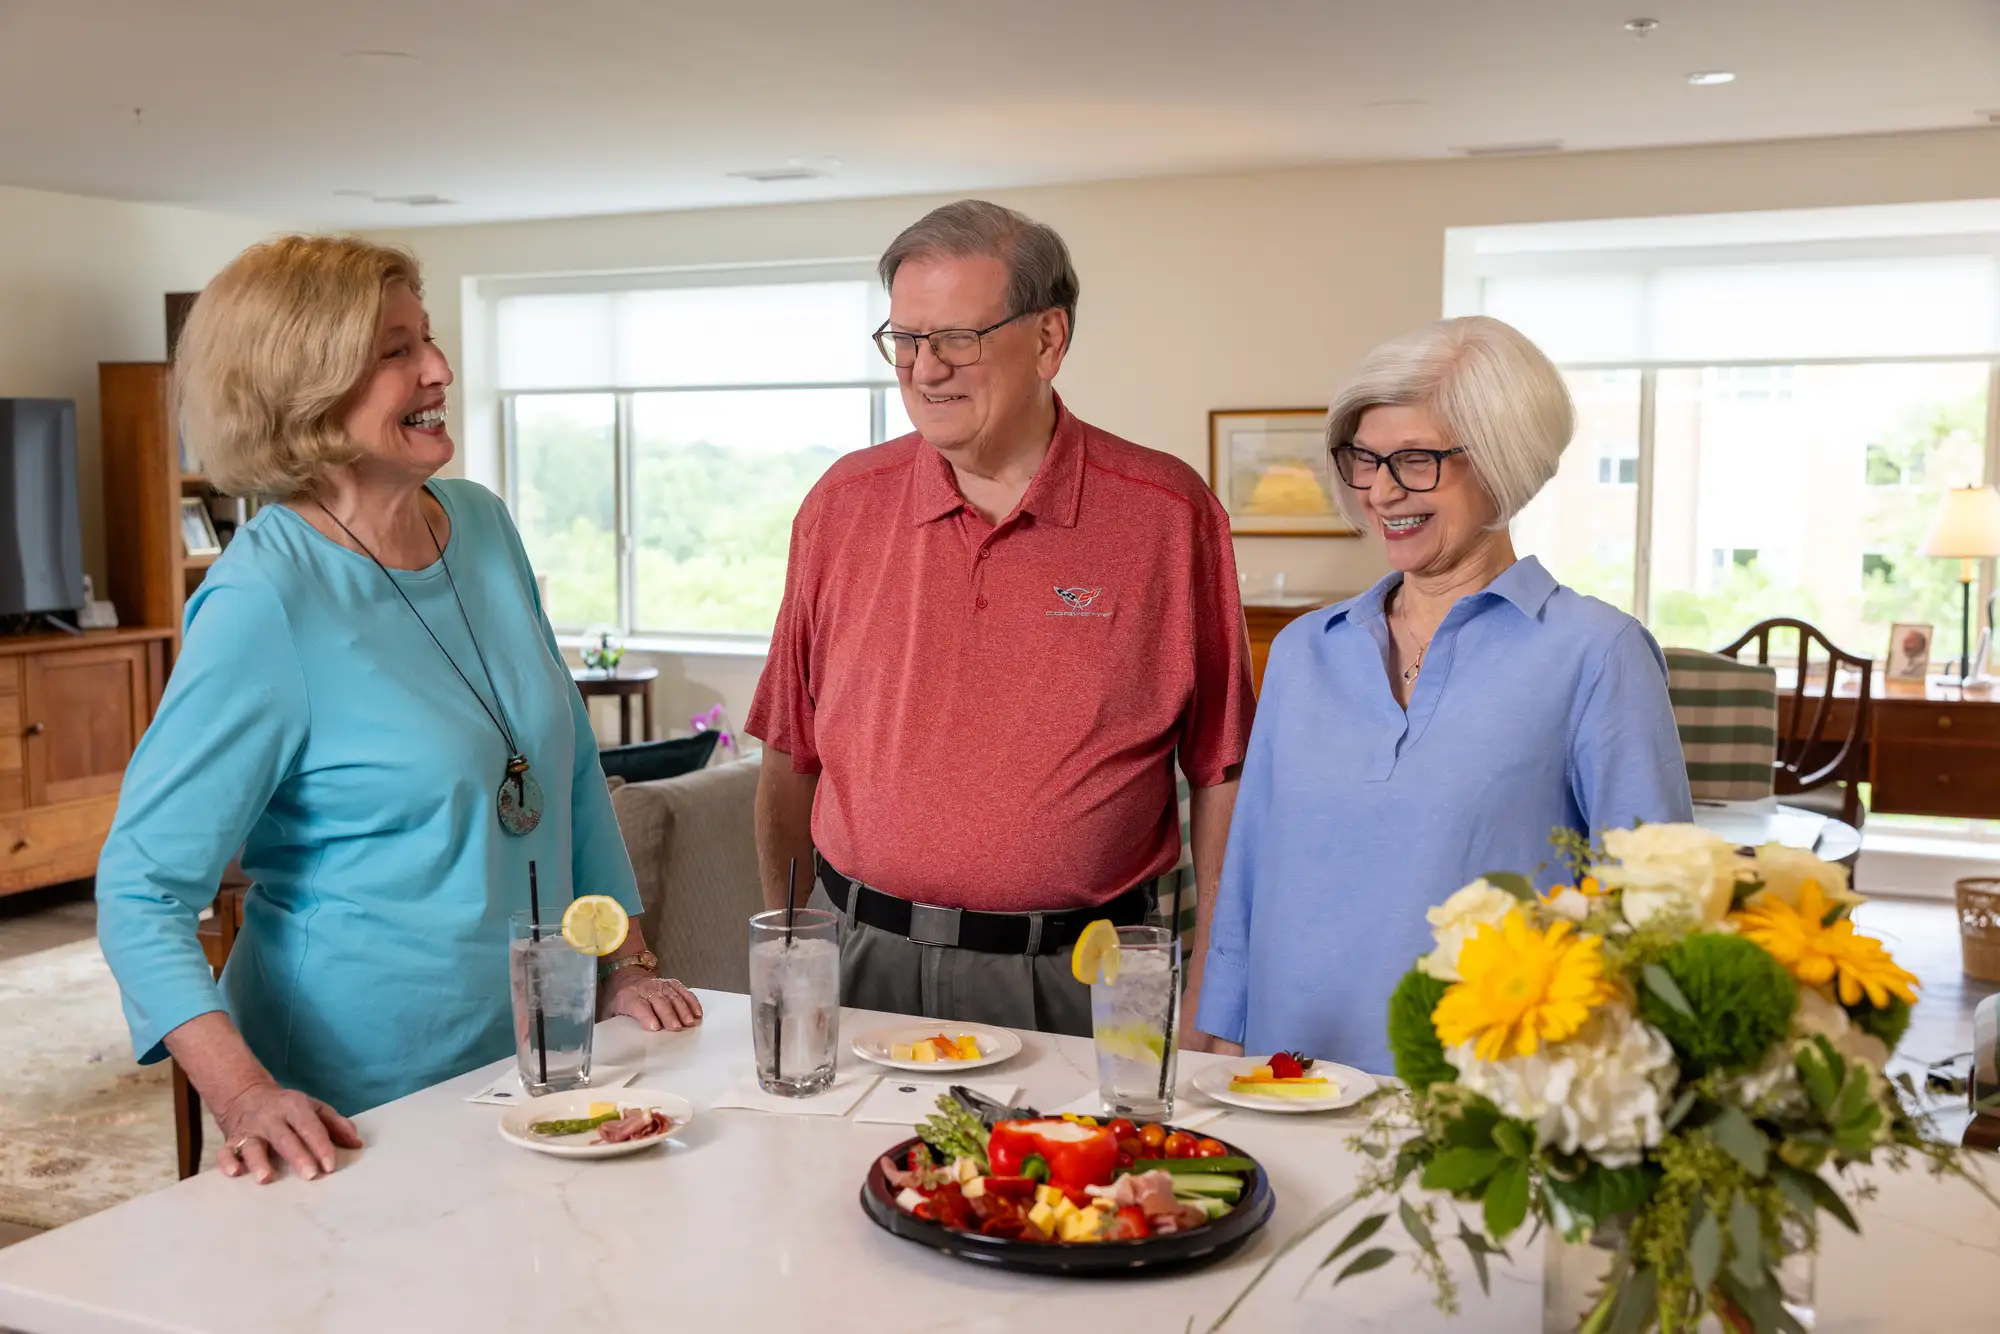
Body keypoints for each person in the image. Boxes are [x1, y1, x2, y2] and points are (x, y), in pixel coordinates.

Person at [95, 236, 701, 1185]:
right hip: (357, 1103)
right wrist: (244, 1094)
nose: (439, 369)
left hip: (538, 1059)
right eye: (396, 350)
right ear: (306, 385)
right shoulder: (265, 599)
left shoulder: (483, 525)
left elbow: (570, 770)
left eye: (429, 338)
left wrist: (623, 962)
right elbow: (141, 891)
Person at [747, 200, 1255, 1038]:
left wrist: (1212, 995)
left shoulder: (1168, 515)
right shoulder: (840, 506)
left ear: (1049, 340)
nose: (925, 369)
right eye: (905, 339)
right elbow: (789, 750)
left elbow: (1223, 772)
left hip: (1080, 980)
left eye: (956, 338)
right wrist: (795, 951)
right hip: (862, 962)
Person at [1194, 316, 1692, 1071]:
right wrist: (1219, 1030)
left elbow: (1657, 909)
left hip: (1482, 1091)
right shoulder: (1303, 650)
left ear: (1503, 460)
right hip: (1284, 1075)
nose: (1381, 490)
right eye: (1365, 460)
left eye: (1416, 460)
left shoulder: (1599, 654)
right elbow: (1249, 866)